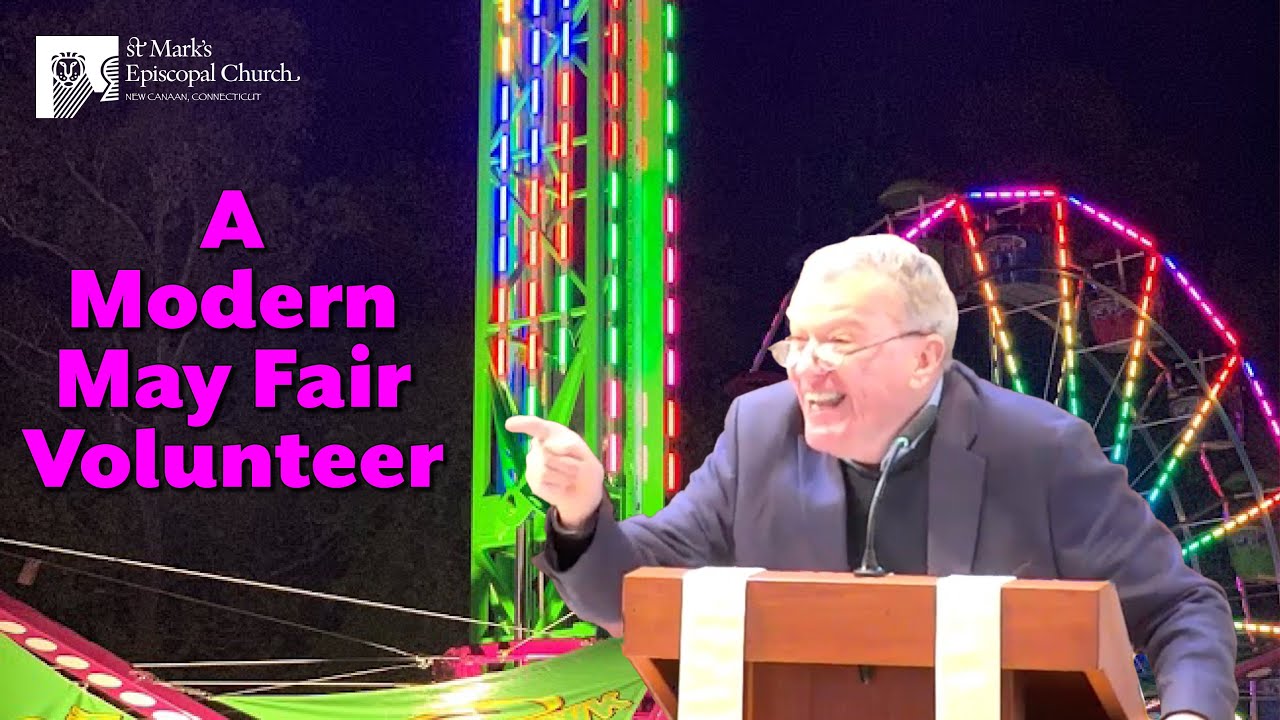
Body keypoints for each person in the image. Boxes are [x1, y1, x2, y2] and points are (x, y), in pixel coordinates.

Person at [506, 234, 1237, 720]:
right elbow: (632, 597)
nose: (806, 366)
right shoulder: (757, 432)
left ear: (924, 358)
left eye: (839, 341)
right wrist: (581, 511)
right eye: (798, 340)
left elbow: (1181, 611)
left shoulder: (1040, 451)